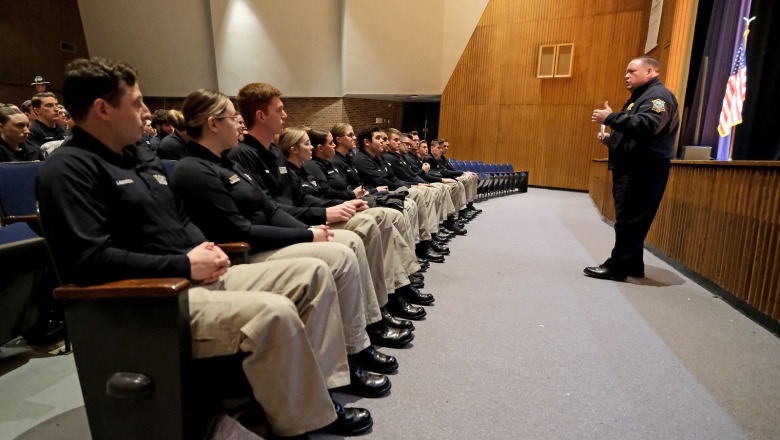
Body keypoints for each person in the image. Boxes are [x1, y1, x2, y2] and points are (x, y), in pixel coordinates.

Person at [35, 57, 372, 437]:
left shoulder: (142, 159)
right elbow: (90, 262)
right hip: (149, 302)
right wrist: (184, 264)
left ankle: (323, 387)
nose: (147, 112)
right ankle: (303, 424)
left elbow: (180, 219)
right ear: (102, 109)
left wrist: (206, 250)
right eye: (137, 102)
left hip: (194, 275)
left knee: (312, 271)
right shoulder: (67, 170)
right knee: (272, 311)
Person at [170, 89, 404, 397]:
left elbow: (270, 208)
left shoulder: (228, 163)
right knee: (340, 254)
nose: (238, 125)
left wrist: (314, 228)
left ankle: (360, 340)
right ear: (213, 123)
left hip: (269, 237)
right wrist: (307, 234)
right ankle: (349, 357)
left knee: (345, 242)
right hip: (246, 252)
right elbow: (240, 229)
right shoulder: (194, 168)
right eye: (233, 119)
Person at [585, 56, 680, 281]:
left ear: (650, 72)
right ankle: (633, 264)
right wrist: (613, 139)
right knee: (630, 219)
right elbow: (635, 131)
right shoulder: (640, 97)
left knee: (630, 220)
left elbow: (648, 126)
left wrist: (610, 118)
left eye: (631, 71)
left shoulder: (658, 97)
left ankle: (617, 266)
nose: (626, 76)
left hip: (643, 171)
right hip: (635, 167)